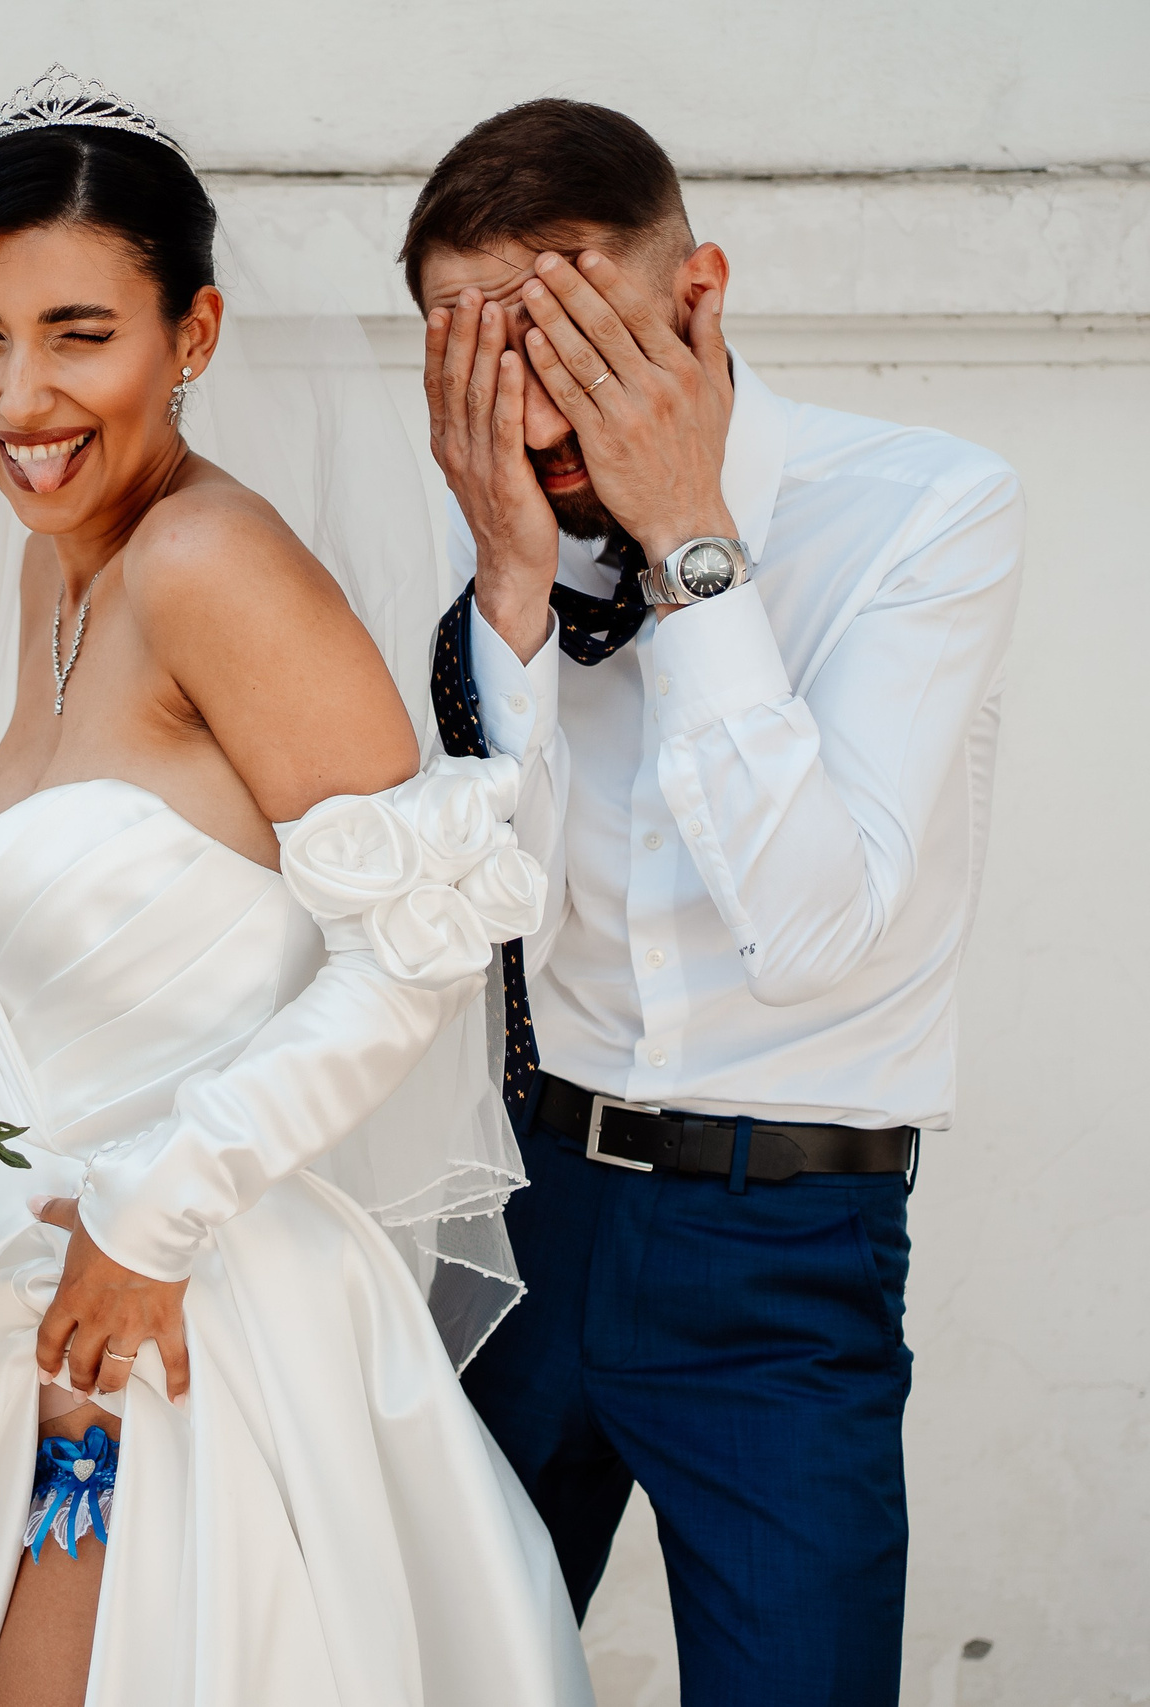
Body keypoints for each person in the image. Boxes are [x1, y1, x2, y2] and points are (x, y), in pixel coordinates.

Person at [0, 68, 591, 1707]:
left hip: (185, 1320)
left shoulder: (215, 565)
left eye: (79, 332)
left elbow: (415, 951)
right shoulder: (54, 568)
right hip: (26, 1323)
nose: (18, 393)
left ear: (192, 336)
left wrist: (157, 1208)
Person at [408, 99, 1024, 1706]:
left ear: (698, 298)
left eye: (572, 342)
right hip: (527, 1207)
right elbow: (477, 904)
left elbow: (814, 925)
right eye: (483, 358)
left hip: (782, 1247)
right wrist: (512, 589)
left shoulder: (924, 511)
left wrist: (691, 540)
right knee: (429, 1672)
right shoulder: (508, 524)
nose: (536, 410)